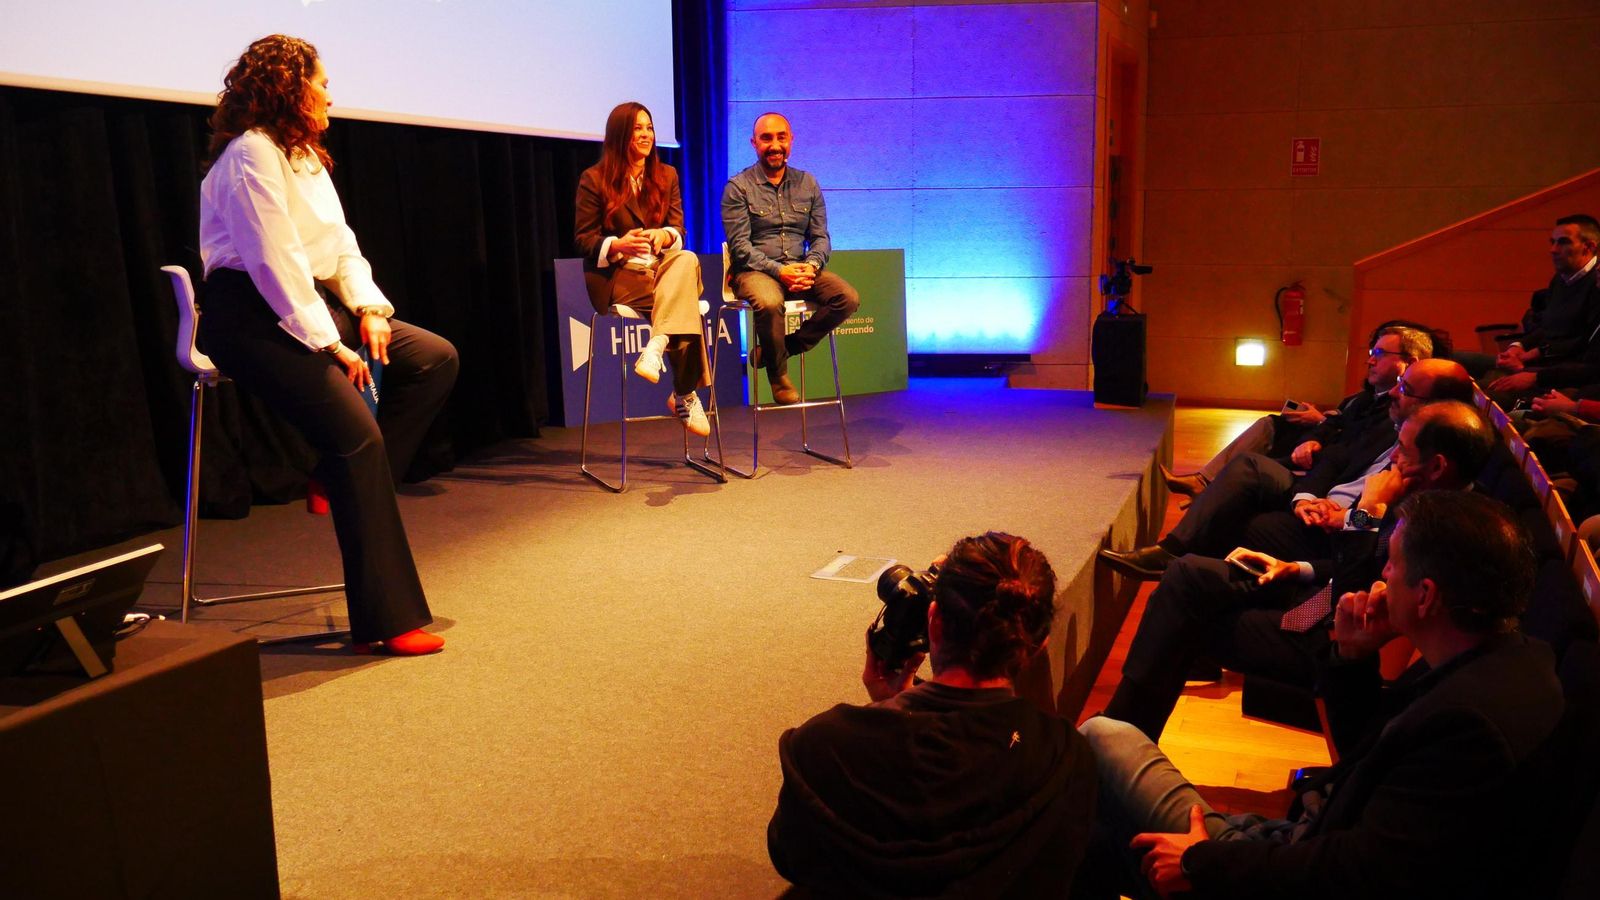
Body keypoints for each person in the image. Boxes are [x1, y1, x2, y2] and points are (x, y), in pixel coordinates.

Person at [1078, 490, 1565, 899]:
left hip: (1291, 864)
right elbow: (1364, 760)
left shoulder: (1470, 723)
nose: (1381, 579)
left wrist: (1201, 860)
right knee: (1092, 842)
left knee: (1102, 737)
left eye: (1392, 566)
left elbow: (1351, 875)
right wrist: (1351, 660)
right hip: (1300, 842)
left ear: (1426, 596)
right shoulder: (1505, 659)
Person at [198, 35, 456, 655]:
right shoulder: (250, 155)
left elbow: (341, 247)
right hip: (249, 317)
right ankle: (386, 617)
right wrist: (330, 346)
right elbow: (272, 264)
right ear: (291, 87)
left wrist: (368, 308)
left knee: (432, 358)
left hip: (311, 303)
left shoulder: (305, 158)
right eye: (321, 81)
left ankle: (331, 477)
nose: (330, 93)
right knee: (357, 438)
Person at [1103, 401, 1496, 744]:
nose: (1393, 458)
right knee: (1187, 575)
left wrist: (1367, 511)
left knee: (1180, 617)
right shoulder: (1422, 497)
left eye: (1403, 451)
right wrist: (1297, 568)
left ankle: (1119, 741)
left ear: (1437, 465)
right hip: (1318, 592)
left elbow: (1353, 602)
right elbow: (1354, 570)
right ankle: (1121, 736)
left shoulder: (1438, 529)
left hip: (1335, 641)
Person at [767, 532, 1098, 897]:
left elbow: (792, 857)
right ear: (1039, 646)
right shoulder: (1067, 758)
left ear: (934, 621)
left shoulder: (824, 746)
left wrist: (883, 712)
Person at [1100, 358, 1475, 580]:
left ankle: (1186, 592)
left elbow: (1369, 550)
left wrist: (1350, 516)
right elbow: (1338, 457)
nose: (1393, 393)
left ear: (1438, 405)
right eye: (1399, 382)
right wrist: (1308, 498)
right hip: (1321, 507)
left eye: (1406, 388)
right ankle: (1175, 564)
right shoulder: (1393, 426)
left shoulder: (1430, 469)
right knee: (1248, 475)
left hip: (1335, 540)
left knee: (1245, 525)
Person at [1164, 325, 1431, 496]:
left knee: (1246, 467)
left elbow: (1350, 452)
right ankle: (1205, 485)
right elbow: (1342, 423)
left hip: (1329, 488)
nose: (1370, 360)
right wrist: (1315, 433)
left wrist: (1313, 501)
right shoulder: (1369, 395)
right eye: (1372, 351)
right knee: (1270, 424)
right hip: (1326, 478)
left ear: (1411, 363)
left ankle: (1207, 496)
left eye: (1381, 354)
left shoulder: (1405, 415)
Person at [574, 101, 710, 435]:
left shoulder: (667, 175)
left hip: (661, 269)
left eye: (649, 127)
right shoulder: (594, 179)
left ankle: (657, 344)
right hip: (618, 275)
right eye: (638, 129)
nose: (646, 135)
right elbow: (583, 239)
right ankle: (684, 393)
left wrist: (663, 235)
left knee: (687, 258)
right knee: (684, 303)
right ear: (620, 135)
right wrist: (617, 244)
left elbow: (679, 230)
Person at [722, 113, 859, 405]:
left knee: (847, 298)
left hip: (801, 267)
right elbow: (740, 247)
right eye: (766, 138)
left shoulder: (807, 183)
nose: (774, 145)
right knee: (770, 303)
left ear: (791, 140)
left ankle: (785, 346)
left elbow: (821, 237)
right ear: (754, 143)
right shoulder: (738, 187)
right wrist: (780, 271)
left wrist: (811, 265)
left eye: (781, 137)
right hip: (754, 271)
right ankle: (778, 374)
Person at [1485, 214, 1600, 406]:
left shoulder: (1595, 287)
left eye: (1562, 242)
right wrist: (1517, 348)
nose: (1553, 250)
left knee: (1487, 396)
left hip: (1559, 375)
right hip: (1545, 369)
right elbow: (1547, 326)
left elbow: (1580, 347)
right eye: (1552, 242)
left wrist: (1532, 368)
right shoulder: (1560, 279)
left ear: (1588, 247)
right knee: (1464, 372)